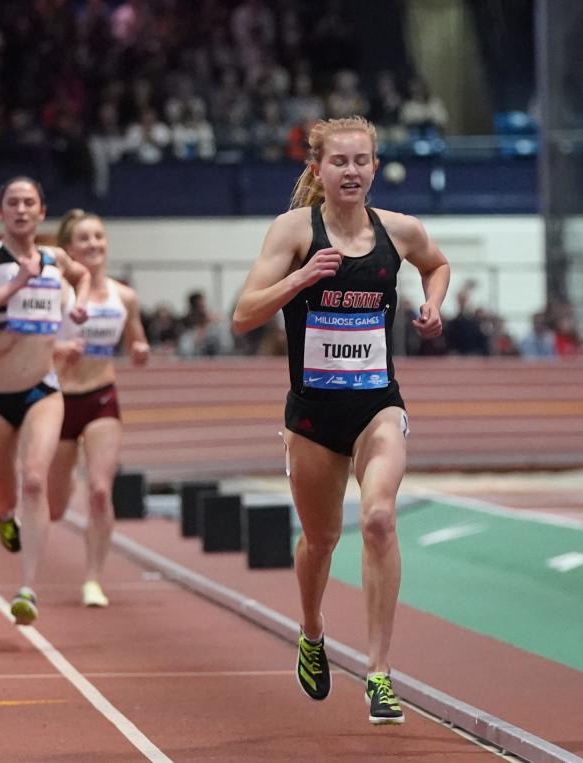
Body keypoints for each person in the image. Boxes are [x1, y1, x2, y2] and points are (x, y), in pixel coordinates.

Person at [232, 116, 450, 725]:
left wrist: (432, 305)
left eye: (361, 161)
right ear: (317, 169)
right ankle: (311, 630)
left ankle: (379, 673)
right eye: (339, 162)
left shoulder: (401, 232)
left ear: (375, 167)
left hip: (377, 405)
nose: (350, 171)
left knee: (379, 518)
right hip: (312, 417)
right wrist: (301, 277)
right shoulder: (293, 231)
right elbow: (243, 314)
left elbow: (437, 264)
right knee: (321, 540)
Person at [0, 176, 90, 626]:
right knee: (7, 493)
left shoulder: (55, 258)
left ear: (42, 211)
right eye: (13, 202)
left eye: (30, 202)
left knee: (34, 480)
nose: (22, 209)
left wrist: (81, 304)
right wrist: (13, 287)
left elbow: (82, 273)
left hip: (41, 390)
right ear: (1, 211)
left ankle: (27, 588)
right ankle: (2, 511)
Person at [47, 209, 150, 608]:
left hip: (101, 397)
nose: (93, 245)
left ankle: (93, 580)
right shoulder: (57, 291)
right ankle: (65, 479)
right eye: (84, 239)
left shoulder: (124, 296)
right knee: (55, 507)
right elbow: (33, 342)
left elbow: (136, 344)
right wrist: (58, 349)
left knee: (100, 490)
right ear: (69, 248)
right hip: (57, 400)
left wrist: (139, 350)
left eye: (98, 237)